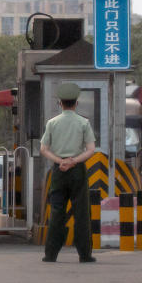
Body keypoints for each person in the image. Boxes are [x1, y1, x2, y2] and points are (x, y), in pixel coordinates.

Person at [40, 82, 97, 263]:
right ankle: (85, 254)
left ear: (60, 103)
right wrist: (73, 161)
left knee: (57, 211)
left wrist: (60, 162)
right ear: (76, 103)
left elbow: (44, 149)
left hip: (58, 171)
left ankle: (51, 254)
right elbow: (90, 149)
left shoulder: (52, 123)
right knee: (81, 213)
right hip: (77, 170)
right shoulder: (83, 123)